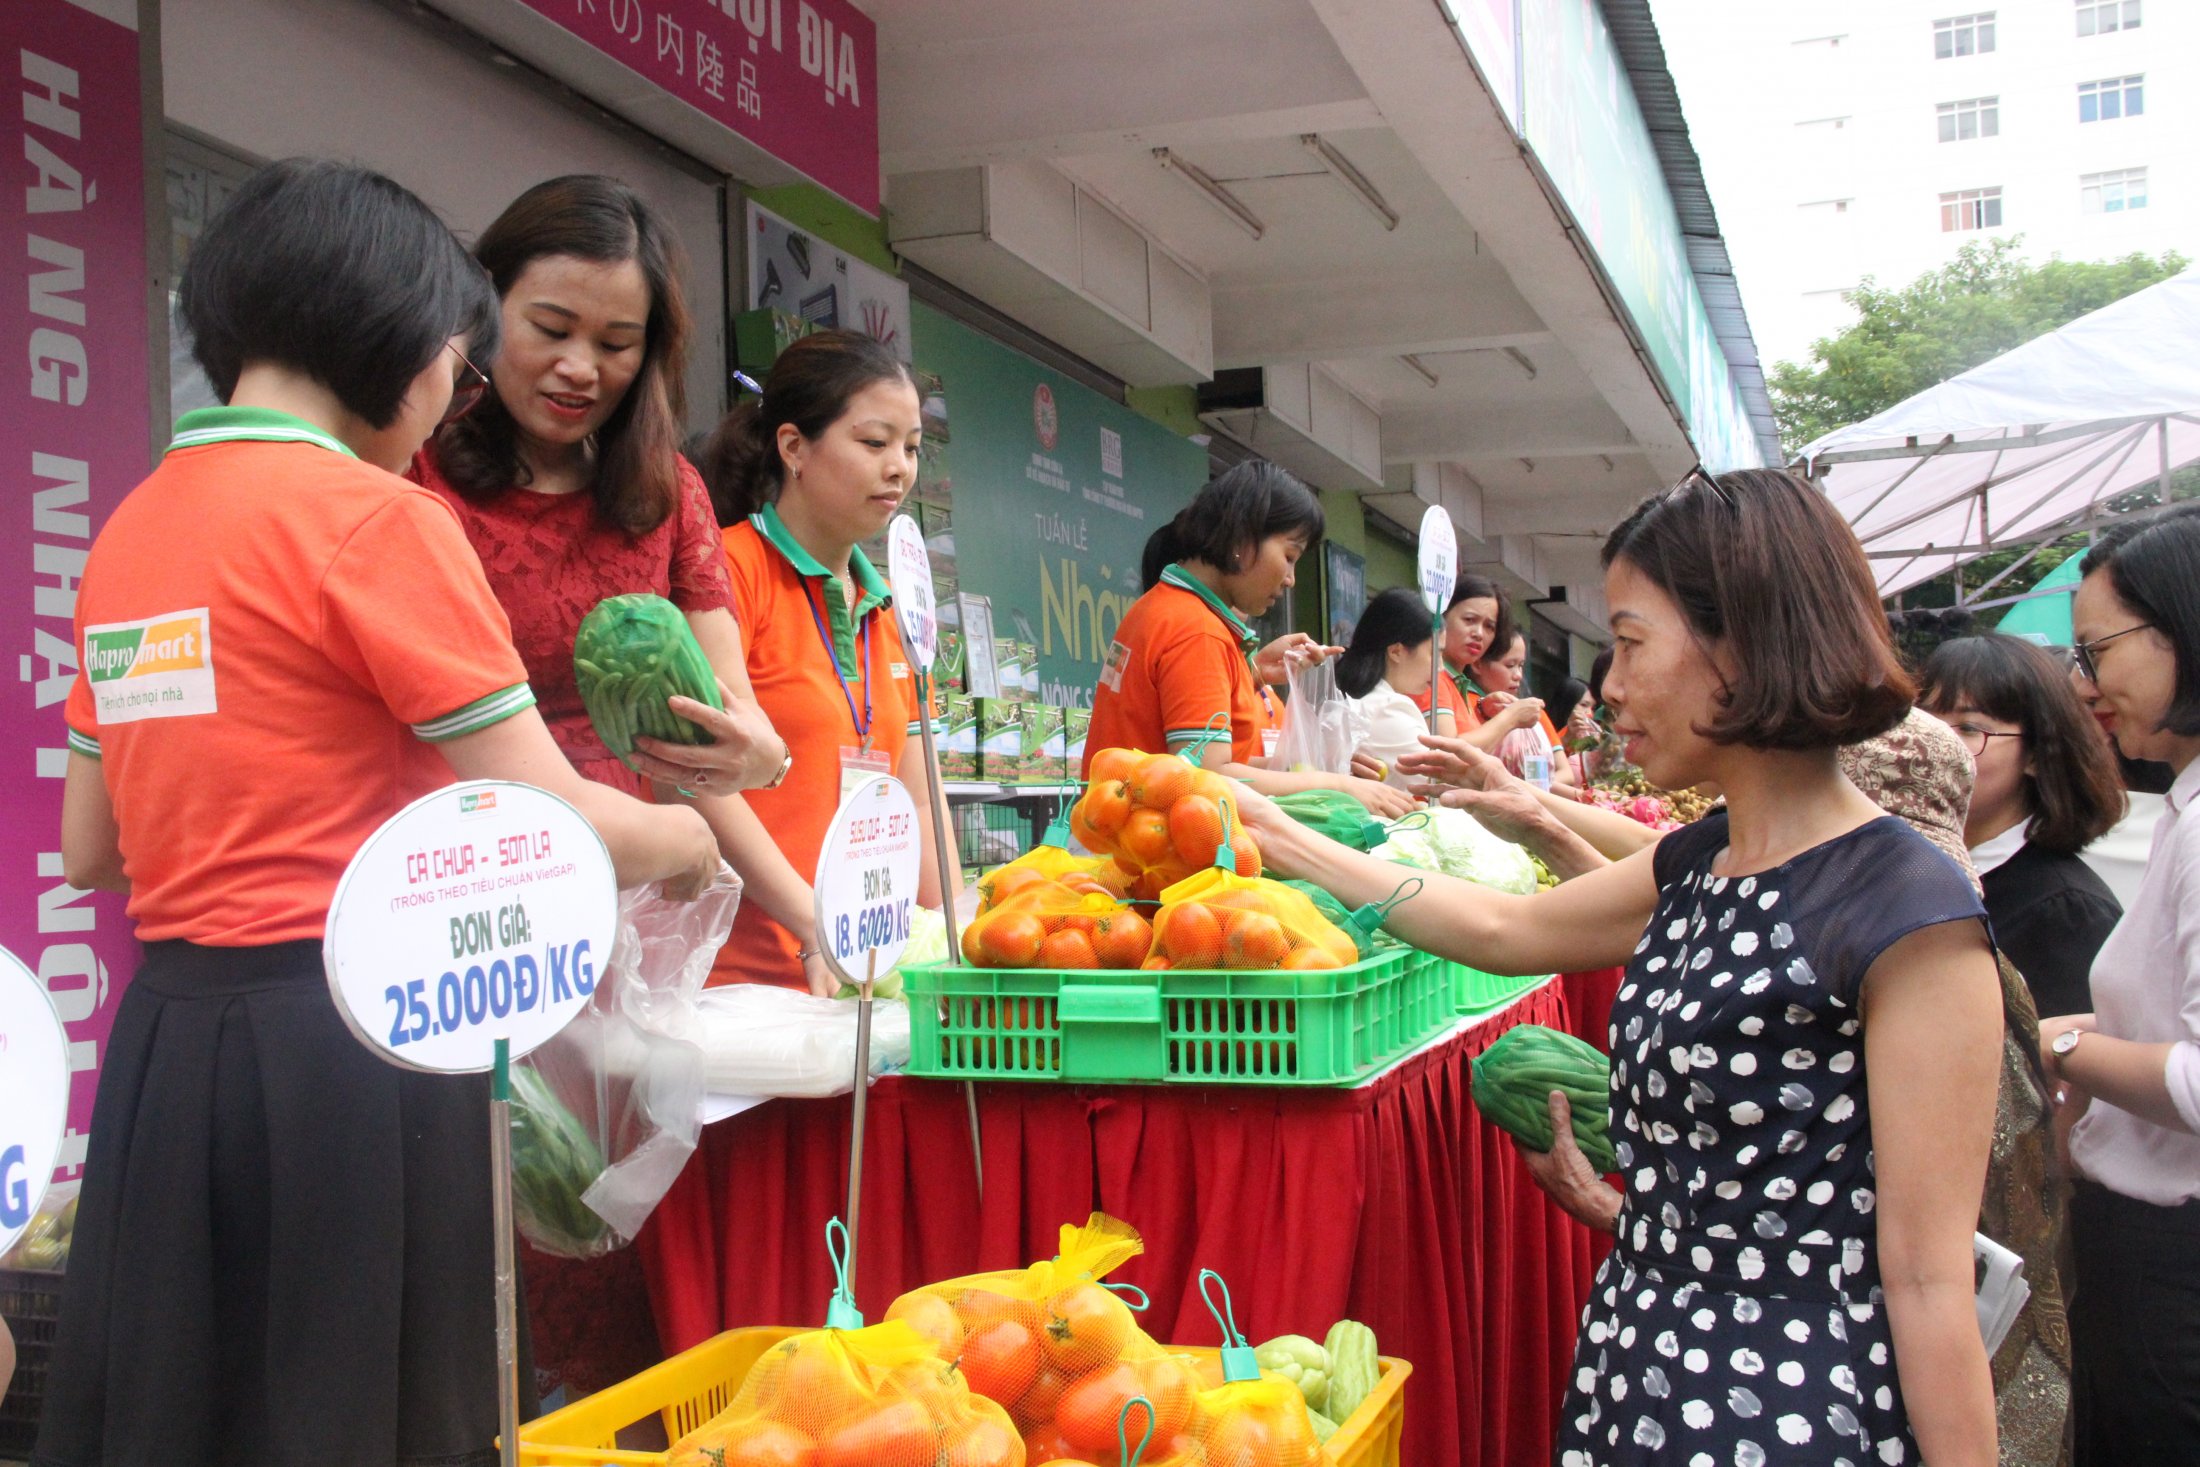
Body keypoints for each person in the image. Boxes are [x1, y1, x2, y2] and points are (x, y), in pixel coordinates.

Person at [40, 159, 717, 1467]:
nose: (451, 399)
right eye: (459, 365)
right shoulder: (379, 519)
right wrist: (686, 837)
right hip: (363, 1050)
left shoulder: (129, 529)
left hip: (170, 1049)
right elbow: (544, 810)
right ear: (400, 340)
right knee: (370, 1413)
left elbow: (91, 847)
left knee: (192, 1412)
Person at [1239, 468, 2003, 1467]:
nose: (1607, 686)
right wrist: (1279, 838)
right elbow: (1508, 931)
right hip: (1636, 1364)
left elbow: (1930, 1282)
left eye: (1632, 644)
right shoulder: (1705, 857)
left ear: (1744, 642)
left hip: (1789, 1413)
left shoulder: (1907, 914)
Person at [413, 174, 785, 802]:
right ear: (485, 307)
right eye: (552, 330)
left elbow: (727, 712)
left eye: (616, 344)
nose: (580, 369)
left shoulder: (668, 489)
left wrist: (763, 758)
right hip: (466, 852)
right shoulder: (413, 469)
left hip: (642, 865)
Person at [692, 330, 960, 993]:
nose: (898, 467)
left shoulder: (892, 607)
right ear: (793, 447)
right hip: (741, 987)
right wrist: (814, 925)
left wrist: (960, 931)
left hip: (867, 977)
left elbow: (920, 800)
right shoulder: (724, 571)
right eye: (874, 443)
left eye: (912, 447)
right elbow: (700, 778)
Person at [2040, 502, 2200, 1464]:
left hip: (2171, 1263)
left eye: (2098, 651)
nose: (2087, 683)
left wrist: (2066, 1047)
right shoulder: (2184, 801)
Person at [1083, 462, 1414, 816]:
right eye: (1289, 557)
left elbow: (1205, 761)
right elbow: (1208, 777)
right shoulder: (1197, 630)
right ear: (1242, 539)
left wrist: (1311, 770)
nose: (1290, 580)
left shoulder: (1162, 608)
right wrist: (1336, 784)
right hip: (1141, 856)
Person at [1920, 635, 2126, 1018]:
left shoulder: (2067, 912)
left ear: (2036, 754)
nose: (1936, 745)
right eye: (1926, 722)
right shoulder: (1911, 874)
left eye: (1967, 727)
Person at [1332, 587, 1453, 784]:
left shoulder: (1358, 700)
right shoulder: (1387, 709)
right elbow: (1443, 782)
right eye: (1434, 653)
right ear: (1396, 651)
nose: (1440, 667)